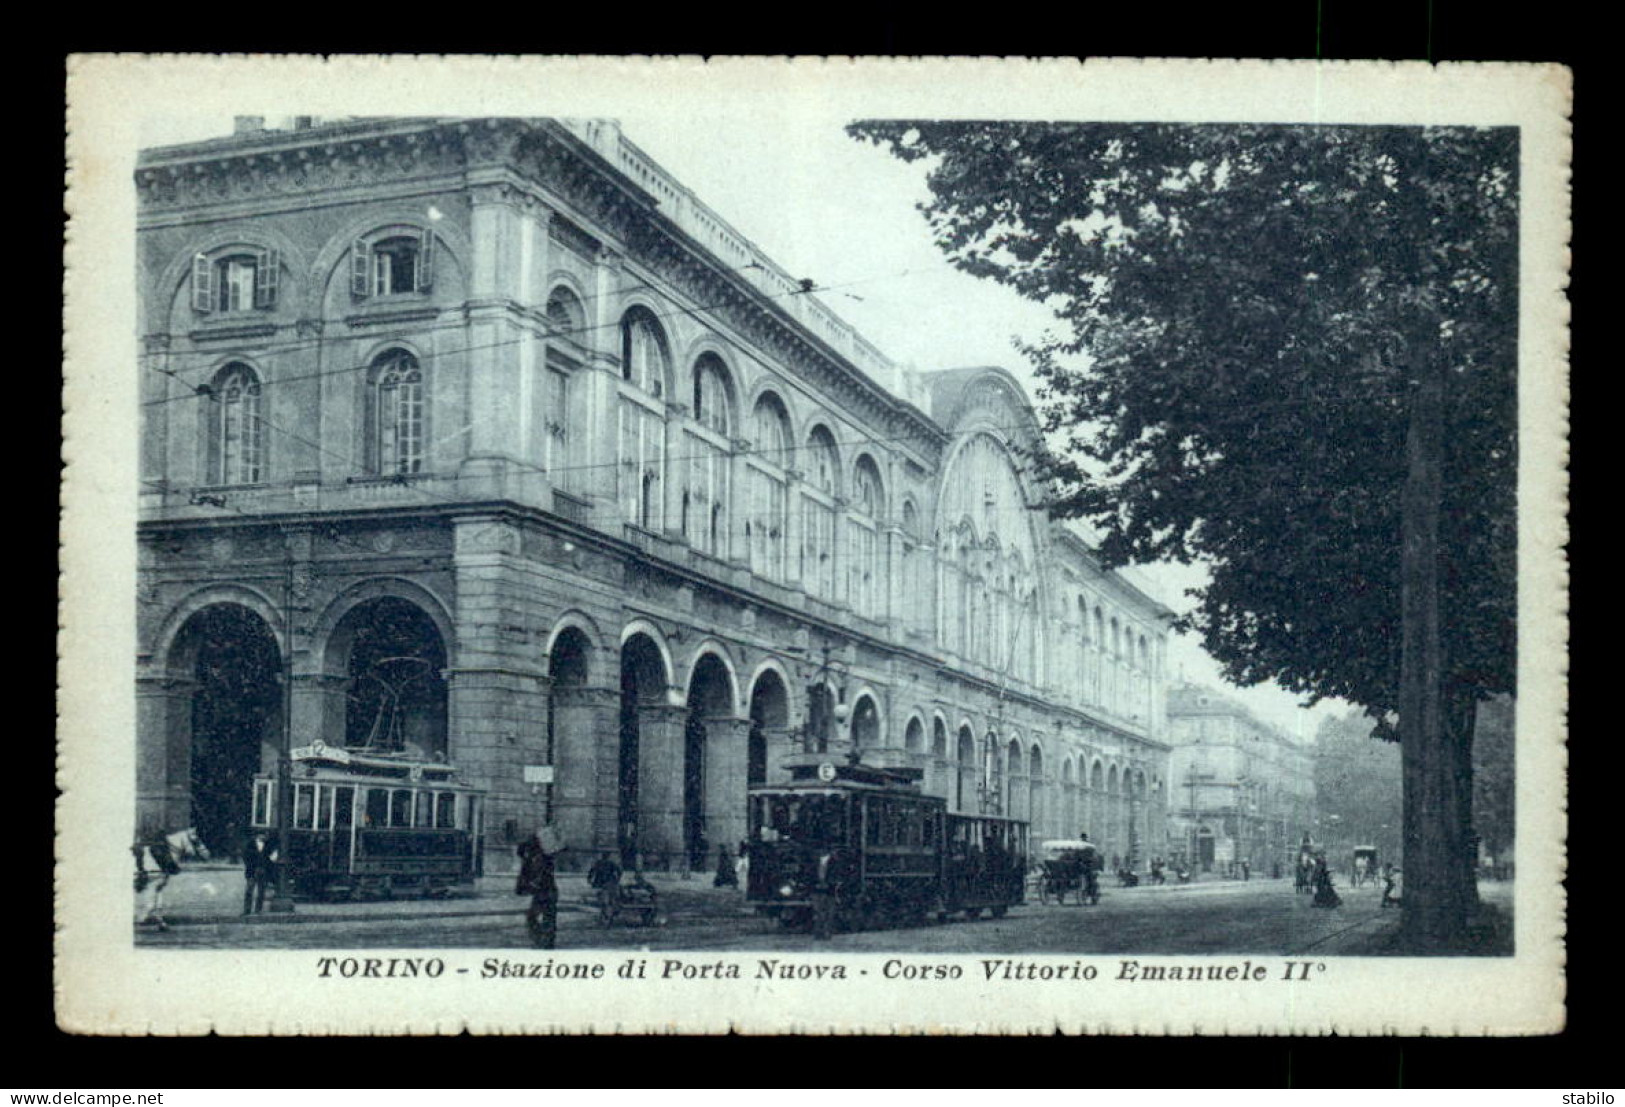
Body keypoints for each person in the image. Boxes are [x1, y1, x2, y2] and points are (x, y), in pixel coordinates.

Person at [516, 828, 561, 948]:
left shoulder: (538, 859)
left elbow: (538, 874)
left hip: (543, 892)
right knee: (548, 917)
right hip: (549, 892)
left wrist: (532, 884)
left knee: (533, 917)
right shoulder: (544, 857)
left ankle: (542, 939)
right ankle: (547, 940)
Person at [242, 831, 277, 916]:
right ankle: (247, 910)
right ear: (258, 836)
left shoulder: (268, 845)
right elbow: (246, 856)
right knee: (249, 890)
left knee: (261, 891)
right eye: (263, 835)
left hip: (263, 870)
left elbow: (271, 857)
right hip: (252, 870)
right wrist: (250, 865)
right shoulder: (250, 844)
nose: (265, 837)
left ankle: (258, 910)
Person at [587, 851, 622, 925]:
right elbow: (619, 871)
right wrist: (617, 879)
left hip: (603, 884)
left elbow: (591, 872)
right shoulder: (609, 863)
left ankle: (607, 916)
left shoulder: (599, 863)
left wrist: (590, 880)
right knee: (609, 901)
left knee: (605, 901)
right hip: (609, 883)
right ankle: (608, 915)